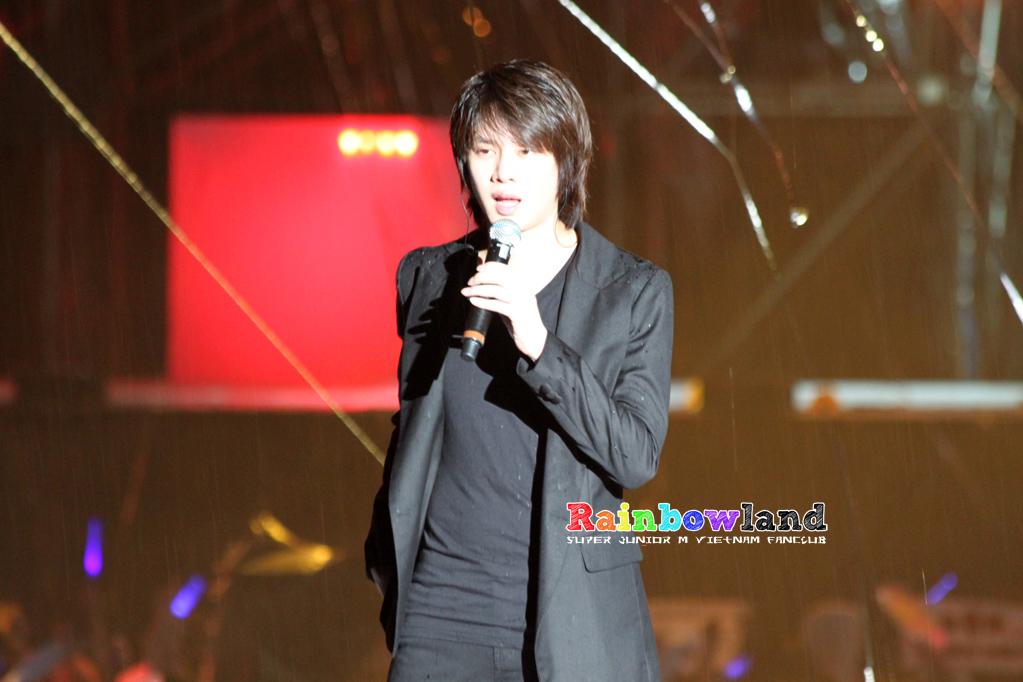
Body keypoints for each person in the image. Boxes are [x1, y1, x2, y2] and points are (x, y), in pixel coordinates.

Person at [365, 60, 674, 682]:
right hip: (441, 617)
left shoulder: (631, 292)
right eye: (484, 150)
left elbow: (635, 455)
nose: (502, 172)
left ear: (566, 161)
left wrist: (538, 343)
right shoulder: (428, 278)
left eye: (527, 151)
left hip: (570, 622)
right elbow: (414, 428)